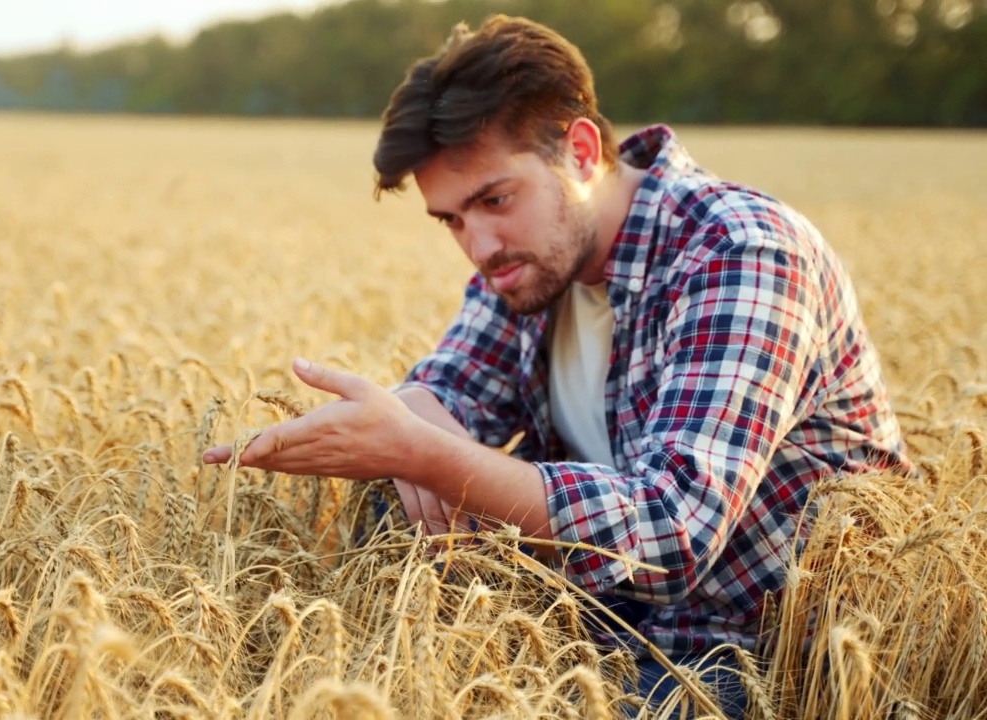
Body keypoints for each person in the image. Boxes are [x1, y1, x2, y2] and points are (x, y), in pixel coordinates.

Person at [203, 14, 909, 717]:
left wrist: (425, 454)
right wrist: (409, 418)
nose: (478, 246)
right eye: (450, 219)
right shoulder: (525, 265)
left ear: (578, 151)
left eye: (494, 200)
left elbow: (673, 532)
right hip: (606, 634)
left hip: (765, 660)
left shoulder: (741, 253)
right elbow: (446, 393)